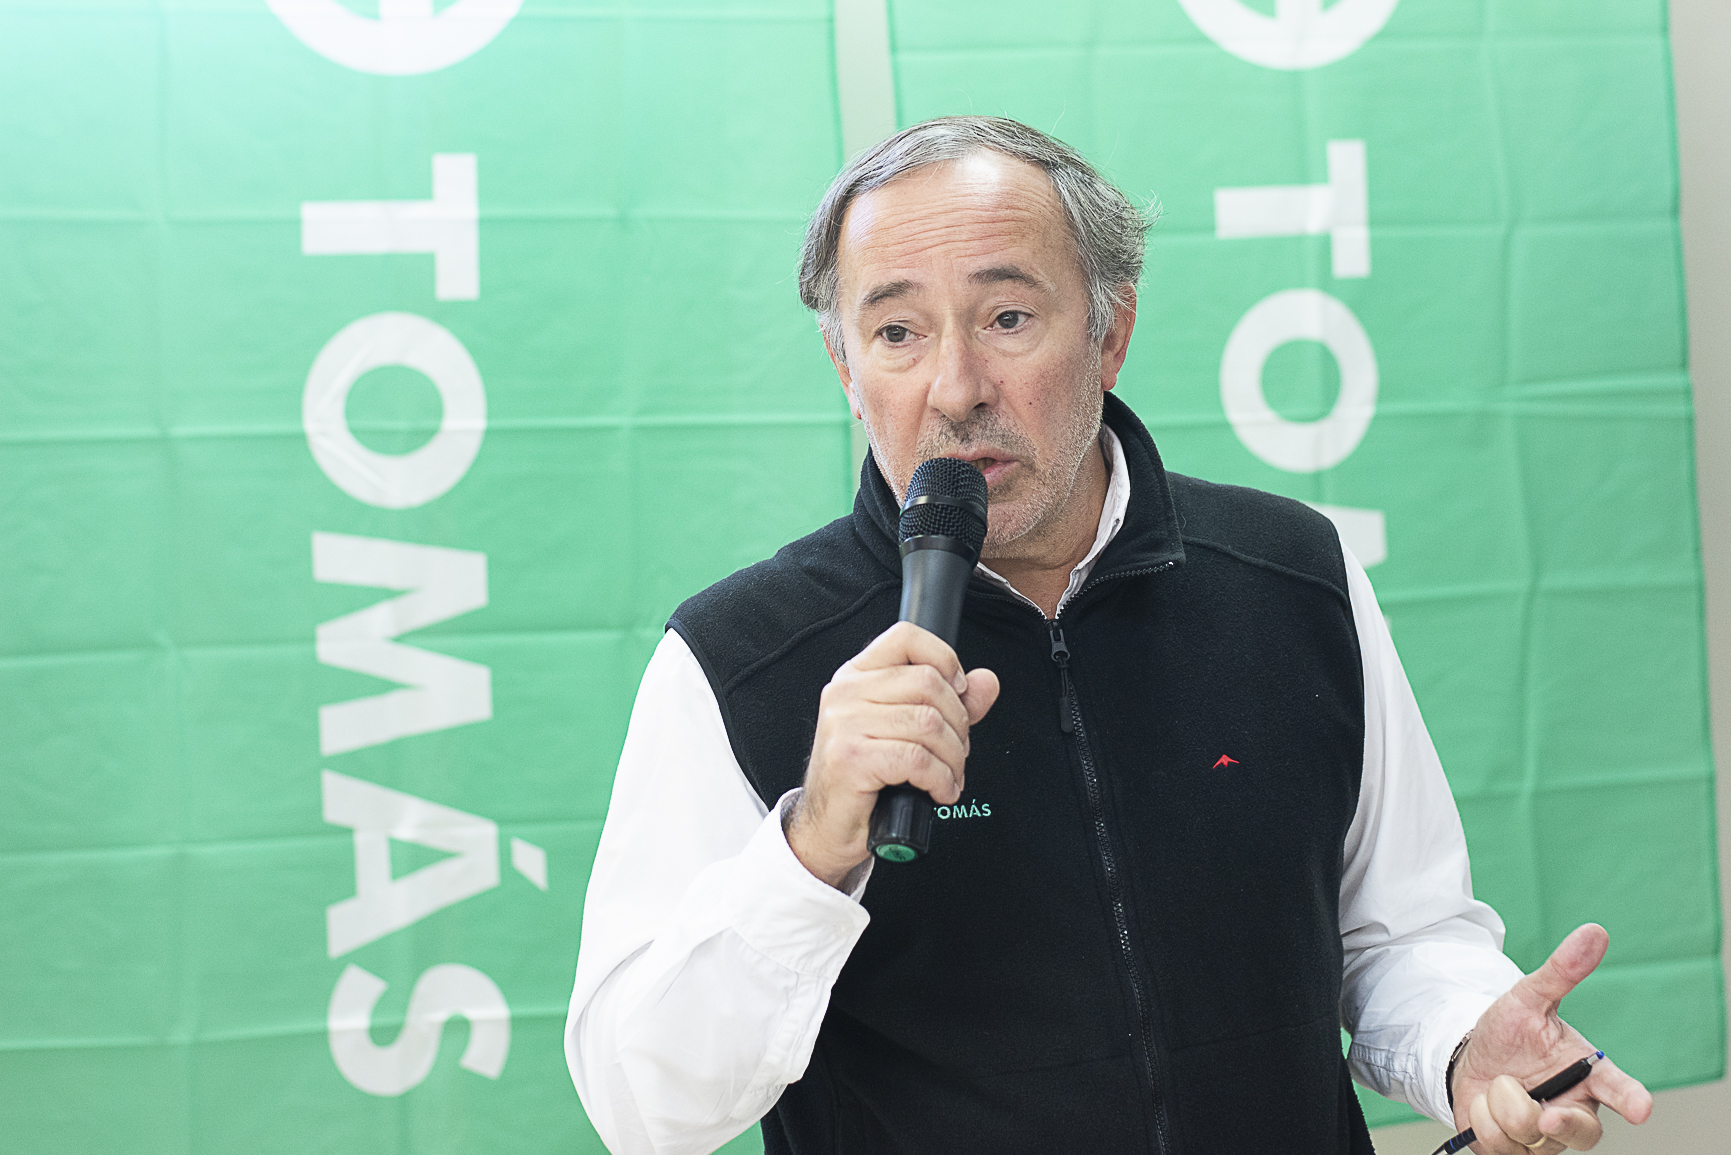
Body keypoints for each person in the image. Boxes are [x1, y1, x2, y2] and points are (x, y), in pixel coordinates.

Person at [564, 116, 1653, 1154]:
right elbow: (643, 1107)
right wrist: (811, 852)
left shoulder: (1291, 577)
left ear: (1110, 333)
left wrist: (1463, 1043)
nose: (955, 388)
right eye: (896, 332)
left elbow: (1399, 933)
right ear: (847, 369)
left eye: (1006, 318)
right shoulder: (738, 657)